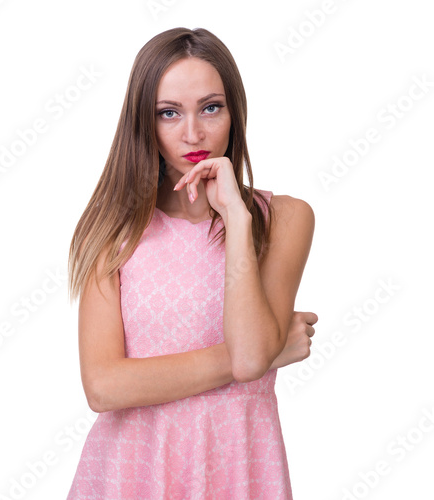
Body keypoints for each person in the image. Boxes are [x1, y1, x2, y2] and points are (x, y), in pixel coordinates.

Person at [66, 27, 318, 500]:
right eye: (168, 113)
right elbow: (103, 387)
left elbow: (250, 357)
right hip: (129, 474)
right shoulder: (114, 229)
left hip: (240, 468)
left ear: (234, 112)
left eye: (210, 107)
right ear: (145, 123)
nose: (193, 133)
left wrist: (237, 221)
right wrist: (265, 352)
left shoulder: (284, 219)